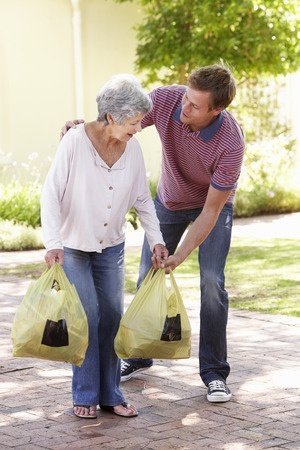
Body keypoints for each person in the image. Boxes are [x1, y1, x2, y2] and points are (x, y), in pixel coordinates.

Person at [61, 63, 245, 403]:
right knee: (147, 275)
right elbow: (118, 124)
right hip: (170, 201)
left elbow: (210, 212)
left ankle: (215, 372)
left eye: (194, 106)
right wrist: (84, 129)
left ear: (216, 110)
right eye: (186, 98)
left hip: (211, 208)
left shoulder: (230, 143)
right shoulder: (165, 100)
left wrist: (180, 255)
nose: (184, 108)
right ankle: (139, 354)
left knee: (211, 281)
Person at [41, 74, 168, 419]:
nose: (139, 128)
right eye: (133, 121)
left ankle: (111, 393)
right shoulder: (74, 143)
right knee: (88, 317)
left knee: (112, 317)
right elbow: (51, 194)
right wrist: (52, 242)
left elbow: (143, 198)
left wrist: (156, 240)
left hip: (111, 246)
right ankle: (85, 393)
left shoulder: (133, 149)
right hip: (73, 246)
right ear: (111, 117)